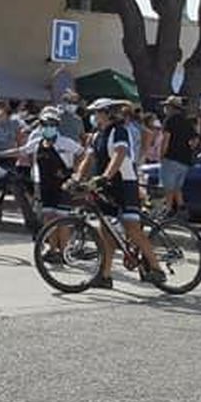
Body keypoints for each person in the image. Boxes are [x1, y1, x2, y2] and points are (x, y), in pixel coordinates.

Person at [78, 98, 167, 287]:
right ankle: (105, 275)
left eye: (97, 112)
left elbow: (119, 155)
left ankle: (156, 268)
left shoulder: (120, 132)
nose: (94, 117)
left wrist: (106, 176)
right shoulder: (96, 135)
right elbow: (88, 158)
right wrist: (76, 178)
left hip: (125, 183)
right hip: (106, 185)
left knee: (131, 227)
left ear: (107, 113)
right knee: (106, 233)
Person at [1, 106, 81, 262]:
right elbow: (22, 150)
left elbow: (83, 154)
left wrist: (77, 173)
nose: (48, 127)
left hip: (64, 186)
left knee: (62, 220)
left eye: (52, 124)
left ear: (57, 125)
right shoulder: (37, 142)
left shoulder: (67, 142)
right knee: (49, 219)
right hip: (46, 186)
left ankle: (64, 252)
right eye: (45, 124)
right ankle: (53, 250)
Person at [159, 96, 196, 216]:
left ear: (171, 108)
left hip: (171, 157)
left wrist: (162, 154)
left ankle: (168, 209)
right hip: (184, 160)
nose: (165, 108)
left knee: (168, 187)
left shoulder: (169, 120)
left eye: (166, 106)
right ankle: (181, 208)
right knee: (177, 186)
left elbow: (166, 139)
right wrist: (188, 149)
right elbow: (194, 140)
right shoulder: (187, 122)